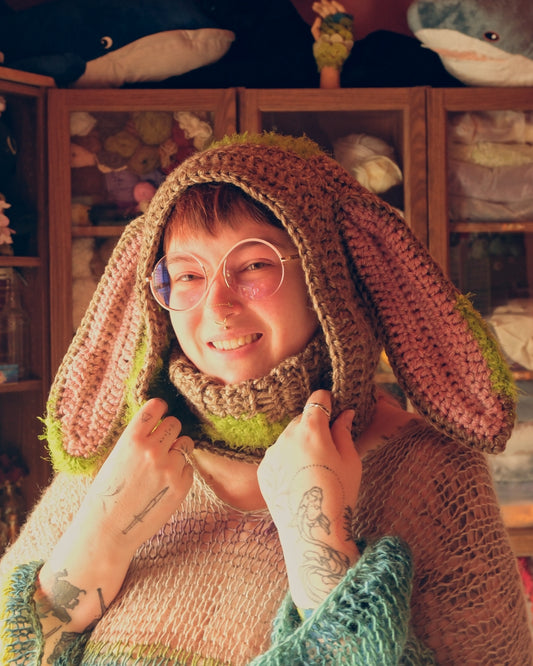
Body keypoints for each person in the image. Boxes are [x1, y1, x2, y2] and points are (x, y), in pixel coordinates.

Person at [1, 132, 531, 665]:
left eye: (254, 265)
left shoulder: (432, 477)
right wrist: (97, 541)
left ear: (329, 276)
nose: (217, 306)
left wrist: (323, 556)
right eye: (188, 274)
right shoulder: (120, 456)